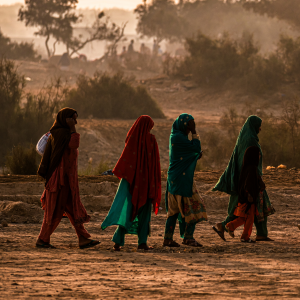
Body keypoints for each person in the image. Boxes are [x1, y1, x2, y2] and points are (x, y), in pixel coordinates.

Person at [36, 108, 99, 249]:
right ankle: (42, 239)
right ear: (65, 119)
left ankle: (83, 239)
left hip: (67, 181)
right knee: (55, 211)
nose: (75, 122)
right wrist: (72, 128)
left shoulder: (62, 133)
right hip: (59, 181)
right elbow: (74, 144)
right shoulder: (61, 134)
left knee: (72, 209)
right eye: (73, 119)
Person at [101, 116, 161, 251]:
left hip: (130, 182)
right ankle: (142, 243)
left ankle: (117, 241)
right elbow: (154, 163)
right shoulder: (151, 140)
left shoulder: (131, 138)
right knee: (144, 213)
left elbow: (125, 159)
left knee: (127, 211)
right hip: (146, 182)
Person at [212, 115, 275, 242]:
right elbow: (251, 163)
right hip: (249, 181)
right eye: (259, 126)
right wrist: (258, 179)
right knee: (247, 208)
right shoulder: (250, 140)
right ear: (254, 126)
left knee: (251, 208)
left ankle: (260, 233)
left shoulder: (246, 138)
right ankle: (225, 226)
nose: (260, 129)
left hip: (245, 180)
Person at [163, 114, 207, 247]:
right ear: (183, 124)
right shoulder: (179, 137)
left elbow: (186, 154)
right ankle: (188, 237)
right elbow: (195, 148)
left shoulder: (175, 136)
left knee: (174, 211)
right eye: (190, 125)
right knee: (193, 207)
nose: (191, 128)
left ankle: (168, 238)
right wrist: (194, 133)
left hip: (174, 179)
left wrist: (192, 156)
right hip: (182, 181)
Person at [225, 146, 266, 243]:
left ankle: (230, 226)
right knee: (250, 218)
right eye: (258, 154)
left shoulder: (247, 167)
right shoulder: (252, 168)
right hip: (249, 198)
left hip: (244, 197)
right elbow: (248, 184)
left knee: (244, 217)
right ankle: (245, 236)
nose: (260, 156)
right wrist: (250, 195)